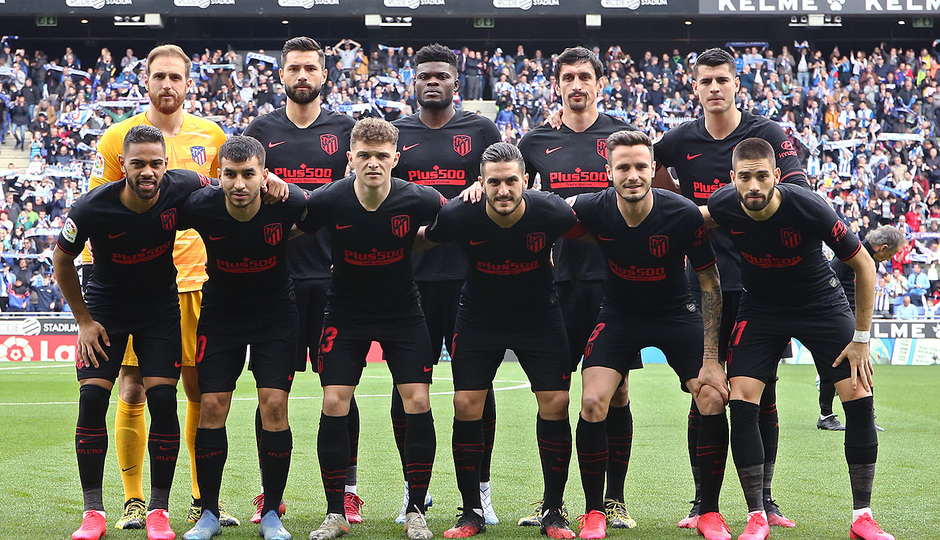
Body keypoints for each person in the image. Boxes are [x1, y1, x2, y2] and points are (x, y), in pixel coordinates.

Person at [704, 137, 894, 540]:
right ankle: (757, 516)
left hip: (820, 305)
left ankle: (863, 517)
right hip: (760, 309)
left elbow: (864, 264)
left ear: (776, 175)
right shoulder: (722, 205)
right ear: (732, 179)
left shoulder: (808, 206)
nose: (753, 186)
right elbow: (687, 218)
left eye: (761, 176)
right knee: (741, 401)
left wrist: (861, 337)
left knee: (859, 399)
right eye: (744, 177)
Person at [652, 47, 809, 530]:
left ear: (736, 84)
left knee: (762, 392)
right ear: (694, 87)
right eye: (706, 81)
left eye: (722, 79)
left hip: (763, 281)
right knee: (706, 389)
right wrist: (683, 213)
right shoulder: (679, 141)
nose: (714, 88)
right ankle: (703, 502)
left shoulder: (768, 135)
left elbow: (798, 193)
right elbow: (651, 176)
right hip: (703, 283)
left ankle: (764, 499)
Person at [88, 43, 232, 530]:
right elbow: (98, 210)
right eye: (159, 77)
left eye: (176, 77)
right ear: (145, 82)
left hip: (198, 282)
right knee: (131, 389)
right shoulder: (118, 139)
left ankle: (197, 497)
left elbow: (226, 198)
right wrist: (95, 293)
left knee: (196, 390)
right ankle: (134, 502)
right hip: (134, 287)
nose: (167, 85)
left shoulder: (211, 136)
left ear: (188, 83)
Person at [568, 130, 729, 540]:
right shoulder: (592, 207)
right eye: (623, 167)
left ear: (653, 168)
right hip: (619, 315)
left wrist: (712, 359)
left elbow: (709, 282)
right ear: (608, 172)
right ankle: (593, 512)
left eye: (642, 166)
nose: (633, 175)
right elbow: (548, 208)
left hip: (676, 314)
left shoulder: (683, 213)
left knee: (712, 395)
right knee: (591, 401)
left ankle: (708, 512)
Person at [52, 125, 210, 540]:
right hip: (106, 311)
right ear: (122, 164)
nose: (147, 172)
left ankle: (158, 512)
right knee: (91, 399)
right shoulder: (90, 208)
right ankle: (93, 514)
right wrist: (84, 321)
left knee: (162, 399)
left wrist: (269, 181)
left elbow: (227, 184)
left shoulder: (185, 185)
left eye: (155, 164)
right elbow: (62, 262)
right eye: (137, 163)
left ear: (166, 165)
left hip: (159, 310)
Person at [421, 142, 577, 539]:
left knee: (557, 403)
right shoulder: (459, 213)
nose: (503, 190)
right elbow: (423, 236)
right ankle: (471, 511)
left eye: (511, 181)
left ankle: (554, 511)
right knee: (466, 404)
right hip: (479, 317)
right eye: (494, 182)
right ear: (480, 184)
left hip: (539, 315)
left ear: (526, 180)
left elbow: (595, 229)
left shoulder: (552, 211)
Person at [301, 118, 443, 540]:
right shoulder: (329, 199)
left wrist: (473, 193)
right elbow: (291, 224)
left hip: (403, 311)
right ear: (350, 159)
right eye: (364, 155)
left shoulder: (420, 198)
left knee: (417, 400)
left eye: (382, 156)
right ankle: (335, 513)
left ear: (396, 159)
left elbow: (454, 223)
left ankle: (416, 509)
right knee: (333, 401)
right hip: (345, 311)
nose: (373, 163)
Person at [517, 46, 638, 530]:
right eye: (567, 76)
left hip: (616, 287)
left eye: (585, 76)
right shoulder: (535, 142)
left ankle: (614, 500)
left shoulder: (623, 138)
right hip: (555, 286)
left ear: (600, 83)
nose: (576, 84)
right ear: (557, 84)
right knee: (554, 395)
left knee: (617, 393)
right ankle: (552, 502)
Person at [244, 35, 358, 525]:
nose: (303, 76)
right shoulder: (261, 130)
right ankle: (271, 496)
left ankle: (348, 491)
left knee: (341, 393)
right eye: (294, 68)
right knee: (273, 392)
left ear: (324, 75)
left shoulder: (346, 130)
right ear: (282, 75)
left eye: (311, 68)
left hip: (337, 280)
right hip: (276, 283)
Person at [392, 43, 502, 526]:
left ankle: (481, 488)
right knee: (408, 389)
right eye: (424, 76)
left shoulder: (481, 131)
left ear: (457, 84)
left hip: (470, 280)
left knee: (475, 388)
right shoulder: (397, 135)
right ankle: (414, 491)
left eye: (441, 75)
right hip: (408, 282)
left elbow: (510, 186)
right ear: (413, 84)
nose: (432, 82)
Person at [180, 136, 305, 540]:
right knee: (212, 405)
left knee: (274, 407)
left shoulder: (288, 203)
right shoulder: (201, 205)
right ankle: (209, 513)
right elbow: (166, 196)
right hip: (221, 315)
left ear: (263, 175)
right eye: (230, 175)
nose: (239, 184)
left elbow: (321, 216)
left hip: (275, 315)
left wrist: (288, 187)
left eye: (249, 174)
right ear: (218, 176)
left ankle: (271, 513)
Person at [819, 226, 904, 432]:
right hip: (841, 316)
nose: (889, 259)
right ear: (883, 248)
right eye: (891, 254)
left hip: (848, 316)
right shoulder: (854, 253)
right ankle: (863, 419)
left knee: (837, 365)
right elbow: (829, 277)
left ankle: (827, 415)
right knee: (856, 363)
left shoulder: (865, 255)